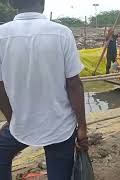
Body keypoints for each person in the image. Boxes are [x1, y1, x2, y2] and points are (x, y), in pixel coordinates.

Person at [0, 0, 88, 179]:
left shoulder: (1, 35)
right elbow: (74, 85)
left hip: (22, 125)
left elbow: (0, 87)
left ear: (11, 4)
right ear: (42, 3)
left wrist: (12, 119)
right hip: (60, 126)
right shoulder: (62, 33)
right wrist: (83, 128)